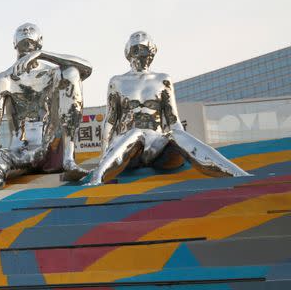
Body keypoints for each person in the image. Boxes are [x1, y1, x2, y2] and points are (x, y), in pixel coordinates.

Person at [88, 31, 249, 185]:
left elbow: (173, 119)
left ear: (152, 53)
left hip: (156, 147)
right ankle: (97, 178)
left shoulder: (162, 80)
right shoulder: (117, 82)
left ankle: (237, 174)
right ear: (129, 53)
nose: (141, 54)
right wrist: (104, 154)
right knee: (136, 133)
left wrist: (181, 141)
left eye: (145, 49)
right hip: (129, 151)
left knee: (178, 134)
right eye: (137, 49)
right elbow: (110, 120)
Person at [0, 22, 93, 191]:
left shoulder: (54, 73)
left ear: (40, 43)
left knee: (72, 72)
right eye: (24, 42)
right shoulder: (3, 80)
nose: (27, 46)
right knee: (2, 159)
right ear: (15, 44)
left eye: (32, 45)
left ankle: (69, 159)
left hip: (53, 150)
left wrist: (42, 55)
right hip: (21, 150)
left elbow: (86, 68)